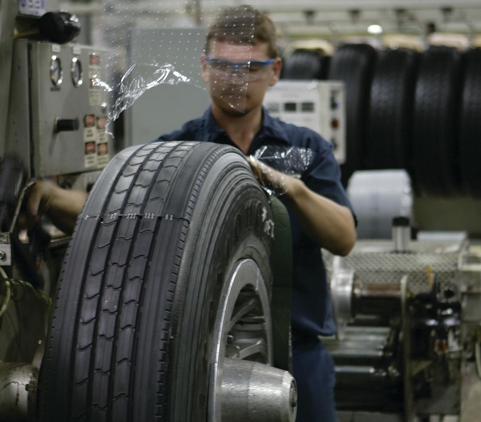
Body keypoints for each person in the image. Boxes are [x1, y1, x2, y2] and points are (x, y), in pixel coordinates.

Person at [25, 5, 357, 421]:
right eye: (223, 66)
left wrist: (288, 185)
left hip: (299, 351)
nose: (237, 80)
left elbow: (343, 237)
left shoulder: (305, 149)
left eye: (251, 67)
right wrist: (51, 196)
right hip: (201, 357)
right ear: (203, 68)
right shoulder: (176, 154)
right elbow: (114, 217)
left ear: (274, 71)